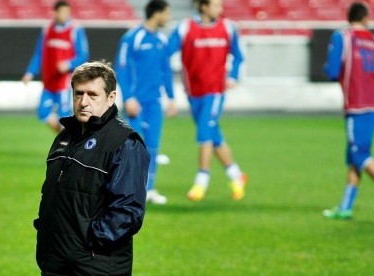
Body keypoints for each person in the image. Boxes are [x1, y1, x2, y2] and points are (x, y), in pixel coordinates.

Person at [33, 61, 150, 274]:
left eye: (92, 95)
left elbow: (128, 212)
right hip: (55, 261)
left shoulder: (125, 142)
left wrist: (88, 242)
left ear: (111, 97)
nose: (83, 102)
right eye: (78, 94)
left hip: (94, 266)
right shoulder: (65, 137)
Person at [322, 2, 374, 219]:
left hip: (357, 104)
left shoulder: (342, 36)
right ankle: (346, 206)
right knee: (354, 156)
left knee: (360, 155)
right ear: (366, 18)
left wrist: (331, 70)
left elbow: (332, 70)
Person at [168, 0, 247, 201]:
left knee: (204, 133)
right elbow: (166, 51)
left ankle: (201, 181)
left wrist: (233, 76)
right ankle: (236, 175)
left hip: (215, 91)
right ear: (203, 6)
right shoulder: (185, 27)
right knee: (213, 135)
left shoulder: (228, 28)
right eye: (216, 5)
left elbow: (238, 56)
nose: (220, 9)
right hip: (193, 92)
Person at [115, 0, 176, 205]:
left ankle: (149, 189)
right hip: (136, 102)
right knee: (133, 147)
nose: (168, 18)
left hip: (154, 102)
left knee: (152, 146)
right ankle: (127, 190)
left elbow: (166, 71)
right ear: (157, 13)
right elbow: (121, 68)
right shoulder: (132, 38)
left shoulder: (161, 40)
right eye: (166, 13)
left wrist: (171, 97)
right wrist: (129, 97)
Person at [22, 0, 89, 133]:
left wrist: (68, 64)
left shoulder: (75, 29)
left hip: (64, 82)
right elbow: (39, 53)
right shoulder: (47, 29)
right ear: (55, 12)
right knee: (43, 113)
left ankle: (69, 143)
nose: (65, 15)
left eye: (67, 12)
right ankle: (67, 139)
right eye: (62, 12)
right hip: (49, 81)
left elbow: (83, 55)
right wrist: (30, 72)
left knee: (64, 116)